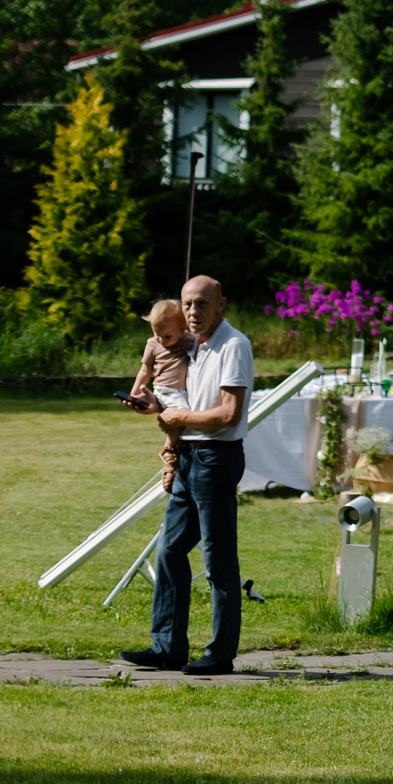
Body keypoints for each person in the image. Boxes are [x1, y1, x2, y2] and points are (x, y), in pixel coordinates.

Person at [120, 275, 253, 676]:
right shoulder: (192, 345)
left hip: (215, 458)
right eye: (188, 304)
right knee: (170, 551)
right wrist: (155, 405)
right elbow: (182, 400)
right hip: (188, 455)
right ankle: (168, 647)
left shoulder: (233, 345)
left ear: (221, 304)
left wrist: (180, 419)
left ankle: (220, 654)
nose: (194, 311)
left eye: (202, 304)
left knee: (217, 557)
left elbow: (229, 414)